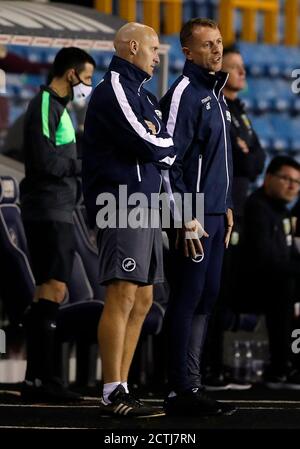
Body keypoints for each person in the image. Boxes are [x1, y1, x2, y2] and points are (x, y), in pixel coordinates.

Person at [82, 22, 176, 417]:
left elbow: (165, 151)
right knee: (122, 293)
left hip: (146, 204)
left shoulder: (144, 96)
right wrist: (164, 143)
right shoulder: (115, 88)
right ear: (132, 46)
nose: (157, 56)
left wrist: (162, 145)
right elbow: (152, 142)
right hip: (121, 202)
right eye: (153, 48)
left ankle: (121, 384)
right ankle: (110, 391)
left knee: (144, 297)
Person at [159, 18, 235, 416]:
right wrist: (182, 217)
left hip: (215, 215)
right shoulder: (184, 94)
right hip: (192, 219)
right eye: (207, 45)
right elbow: (167, 164)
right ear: (187, 52)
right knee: (187, 299)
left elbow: (215, 161)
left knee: (206, 299)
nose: (216, 50)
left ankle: (192, 384)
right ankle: (178, 389)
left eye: (219, 43)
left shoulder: (215, 92)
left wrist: (226, 205)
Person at [20, 47, 95, 402]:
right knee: (52, 288)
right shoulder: (44, 107)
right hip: (48, 211)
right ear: (71, 74)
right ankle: (46, 380)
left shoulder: (58, 108)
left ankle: (37, 378)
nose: (88, 84)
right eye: (87, 77)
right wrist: (82, 164)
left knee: (49, 291)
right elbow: (44, 162)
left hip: (57, 209)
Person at [203, 46, 266, 390]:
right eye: (236, 67)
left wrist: (248, 153)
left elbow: (257, 160)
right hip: (220, 208)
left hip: (237, 210)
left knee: (227, 293)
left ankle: (218, 366)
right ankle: (207, 369)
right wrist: (246, 154)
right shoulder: (217, 107)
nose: (243, 73)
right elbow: (240, 161)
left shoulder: (240, 112)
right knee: (214, 292)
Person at [240, 156, 300, 389]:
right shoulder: (257, 208)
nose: (292, 186)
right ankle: (281, 368)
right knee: (285, 286)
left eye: (296, 181)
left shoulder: (282, 212)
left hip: (276, 280)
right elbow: (264, 261)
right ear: (268, 178)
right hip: (248, 285)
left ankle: (289, 364)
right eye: (286, 178)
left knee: (289, 284)